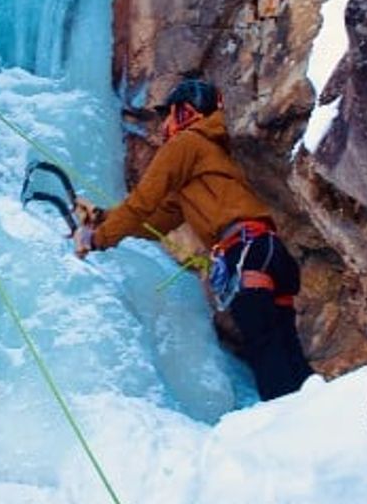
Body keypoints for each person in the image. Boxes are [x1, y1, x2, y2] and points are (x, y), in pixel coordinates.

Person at [74, 77, 311, 401]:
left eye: (170, 115)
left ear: (186, 113)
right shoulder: (207, 157)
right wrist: (103, 217)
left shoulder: (186, 144)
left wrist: (97, 239)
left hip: (244, 252)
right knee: (284, 346)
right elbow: (153, 222)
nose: (166, 125)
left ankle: (287, 428)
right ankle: (311, 418)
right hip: (268, 252)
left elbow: (141, 201)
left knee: (264, 347)